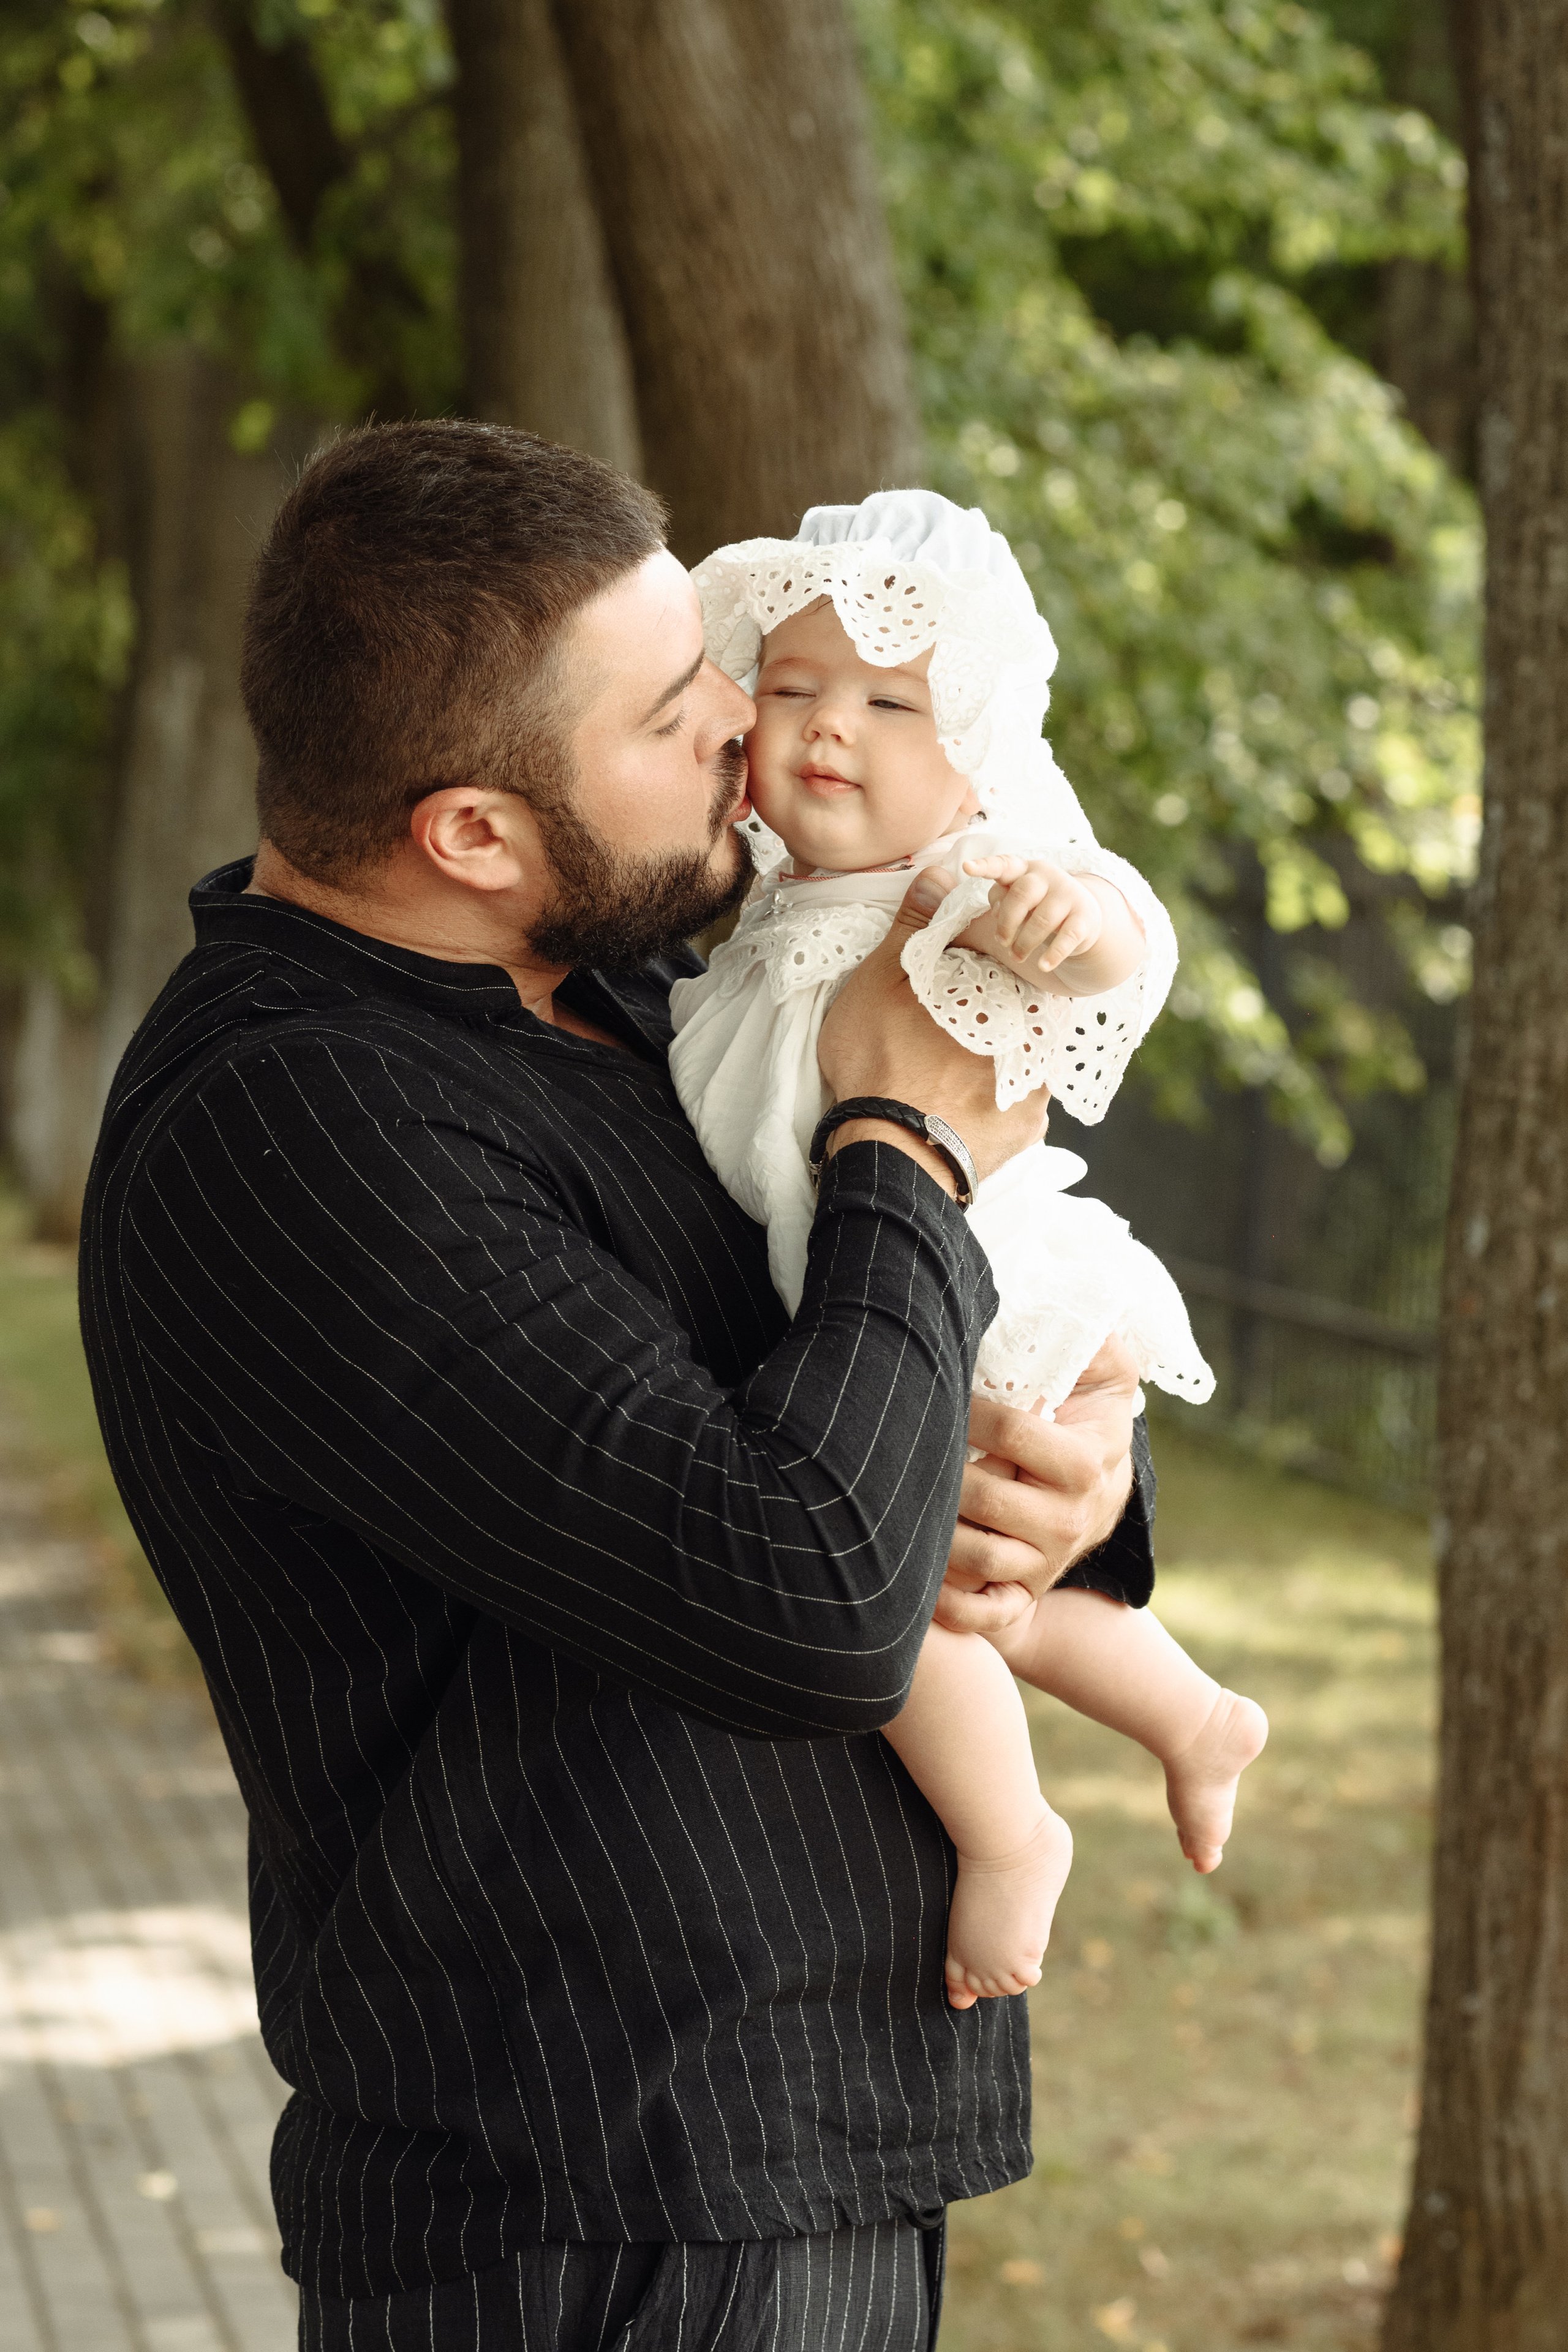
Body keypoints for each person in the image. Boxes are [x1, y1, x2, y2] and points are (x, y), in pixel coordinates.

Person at [78, 421, 1158, 2352]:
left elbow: (839, 1368)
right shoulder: (305, 1126)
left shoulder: (622, 983)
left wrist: (1076, 1481)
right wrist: (901, 1132)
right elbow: (801, 1597)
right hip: (586, 2217)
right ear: (471, 832)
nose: (752, 728)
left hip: (787, 2168)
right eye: (676, 717)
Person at [672, 492, 1266, 2010]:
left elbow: (1113, 926)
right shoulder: (754, 890)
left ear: (977, 747)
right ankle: (1193, 1715)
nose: (827, 728)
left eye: (888, 701)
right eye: (792, 688)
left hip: (961, 1271)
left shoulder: (962, 876)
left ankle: (1008, 1836)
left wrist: (1077, 923)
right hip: (853, 1271)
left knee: (906, 1586)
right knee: (986, 1583)